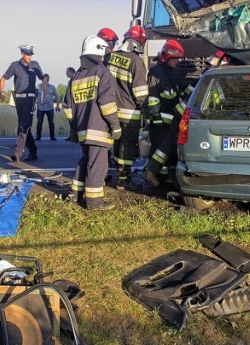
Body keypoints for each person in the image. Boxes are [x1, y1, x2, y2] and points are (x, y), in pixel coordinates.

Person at [64, 35, 122, 210]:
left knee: (86, 161)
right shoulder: (102, 72)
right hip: (99, 129)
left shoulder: (75, 77)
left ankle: (75, 194)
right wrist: (115, 126)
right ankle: (95, 203)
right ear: (99, 52)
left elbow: (68, 107)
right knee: (98, 166)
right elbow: (107, 104)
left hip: (82, 129)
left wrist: (74, 128)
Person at [107, 25, 148, 191]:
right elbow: (140, 94)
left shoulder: (111, 57)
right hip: (129, 112)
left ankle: (118, 175)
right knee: (128, 145)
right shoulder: (136, 61)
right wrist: (148, 111)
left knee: (116, 145)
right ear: (138, 44)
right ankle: (124, 180)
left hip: (110, 111)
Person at [142, 40, 186, 187]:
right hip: (159, 117)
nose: (177, 62)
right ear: (166, 57)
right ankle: (152, 174)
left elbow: (176, 92)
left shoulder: (173, 72)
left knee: (170, 147)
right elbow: (153, 96)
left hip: (171, 117)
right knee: (159, 147)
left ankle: (164, 176)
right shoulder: (156, 72)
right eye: (175, 59)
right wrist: (155, 116)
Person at [0, 44, 45, 162]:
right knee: (24, 126)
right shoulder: (14, 65)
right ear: (22, 54)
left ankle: (17, 152)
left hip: (30, 99)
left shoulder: (35, 65)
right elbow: (3, 78)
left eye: (31, 54)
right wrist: (1, 91)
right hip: (18, 100)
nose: (30, 57)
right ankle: (33, 152)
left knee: (23, 126)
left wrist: (43, 96)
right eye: (28, 54)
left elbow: (43, 79)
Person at [35, 74, 60, 141]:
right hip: (40, 107)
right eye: (45, 79)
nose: (46, 81)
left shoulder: (52, 87)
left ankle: (52, 136)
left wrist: (57, 106)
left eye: (47, 80)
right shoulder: (38, 87)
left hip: (50, 107)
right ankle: (38, 136)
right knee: (39, 122)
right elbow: (34, 97)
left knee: (51, 122)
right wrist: (33, 105)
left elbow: (57, 96)